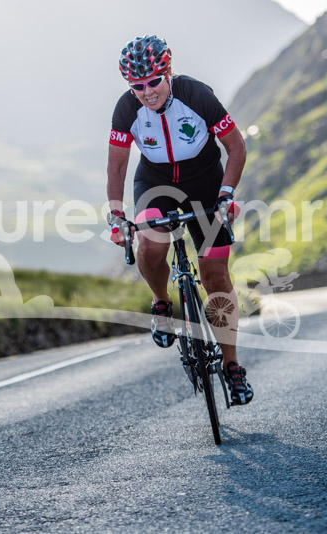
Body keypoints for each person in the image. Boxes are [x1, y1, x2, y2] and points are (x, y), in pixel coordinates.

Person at [106, 35, 253, 405]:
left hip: (205, 181)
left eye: (154, 81)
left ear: (168, 73)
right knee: (149, 242)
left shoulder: (196, 95)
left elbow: (236, 147)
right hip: (155, 182)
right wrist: (117, 215)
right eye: (137, 86)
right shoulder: (126, 109)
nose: (147, 92)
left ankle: (232, 364)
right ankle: (161, 302)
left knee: (215, 275)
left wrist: (226, 194)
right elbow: (117, 166)